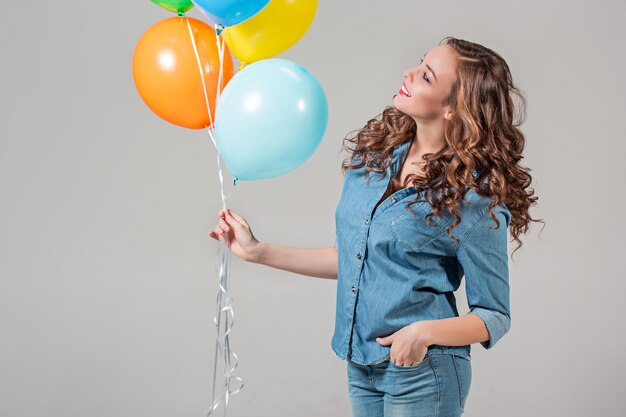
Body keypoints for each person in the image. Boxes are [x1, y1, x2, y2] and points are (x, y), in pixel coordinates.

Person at [209, 36, 541, 417]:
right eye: (419, 63)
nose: (408, 73)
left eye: (426, 76)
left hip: (423, 370)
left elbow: (494, 315)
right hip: (360, 363)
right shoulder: (374, 157)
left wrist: (422, 333)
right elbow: (354, 259)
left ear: (453, 108)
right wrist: (258, 251)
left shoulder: (474, 199)